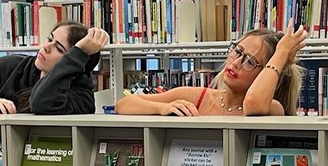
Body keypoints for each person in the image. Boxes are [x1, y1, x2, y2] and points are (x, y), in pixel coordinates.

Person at [114, 26, 306, 117]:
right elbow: (124, 105)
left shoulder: (272, 108)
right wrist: (160, 108)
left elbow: (253, 104)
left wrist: (280, 55)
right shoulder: (195, 96)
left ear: (266, 74)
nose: (236, 63)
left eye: (250, 62)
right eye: (237, 51)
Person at [0, 23, 108, 115]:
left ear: (75, 62)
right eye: (49, 39)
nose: (45, 47)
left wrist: (79, 52)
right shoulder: (11, 66)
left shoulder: (82, 98)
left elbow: (41, 102)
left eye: (58, 48)